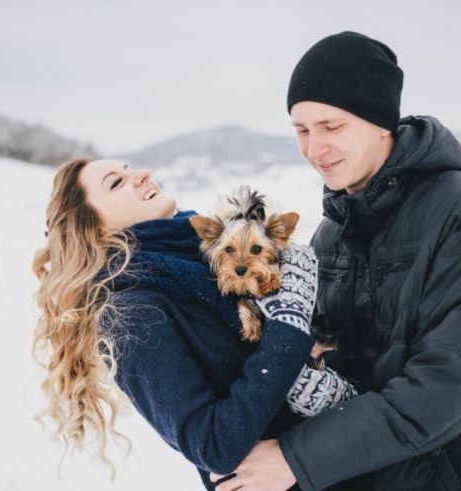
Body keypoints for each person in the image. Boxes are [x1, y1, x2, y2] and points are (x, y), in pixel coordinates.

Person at [213, 31, 461, 491]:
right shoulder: (331, 233)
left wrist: (293, 458)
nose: (313, 149)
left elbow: (446, 386)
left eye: (332, 126)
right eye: (301, 131)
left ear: (381, 120)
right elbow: (325, 360)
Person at [31, 158, 357, 490]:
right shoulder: (130, 310)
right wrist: (290, 325)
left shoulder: (206, 259)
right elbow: (214, 445)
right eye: (116, 182)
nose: (141, 174)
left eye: (130, 168)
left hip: (345, 460)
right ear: (95, 227)